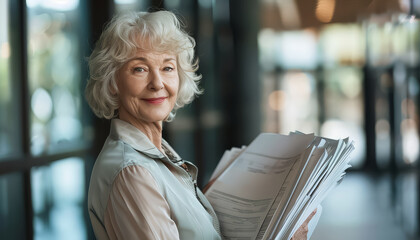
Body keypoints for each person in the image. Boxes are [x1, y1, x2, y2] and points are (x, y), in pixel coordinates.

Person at [86, 10, 315, 240]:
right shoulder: (132, 172)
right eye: (140, 69)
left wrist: (203, 203)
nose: (157, 83)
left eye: (167, 68)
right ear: (113, 81)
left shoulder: (155, 155)